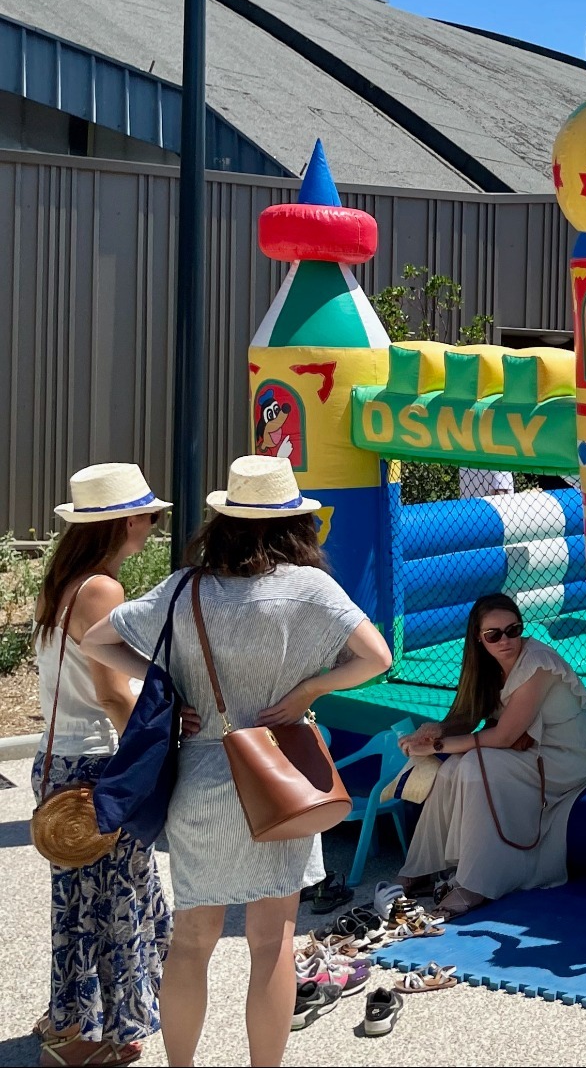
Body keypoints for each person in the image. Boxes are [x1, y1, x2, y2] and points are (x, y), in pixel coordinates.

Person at [83, 455, 392, 1068]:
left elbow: (97, 640)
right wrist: (307, 691)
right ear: (294, 523)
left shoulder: (184, 588)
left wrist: (168, 686)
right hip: (280, 780)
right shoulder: (310, 588)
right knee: (272, 942)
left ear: (223, 521)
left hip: (200, 780)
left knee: (191, 943)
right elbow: (376, 658)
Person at [31, 464, 171, 1068]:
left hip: (61, 759)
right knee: (111, 905)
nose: (153, 525)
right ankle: (85, 1037)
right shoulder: (101, 590)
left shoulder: (62, 582)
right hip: (98, 762)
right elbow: (113, 693)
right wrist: (156, 745)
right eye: (149, 516)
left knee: (84, 901)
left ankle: (72, 1020)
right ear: (126, 521)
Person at [396, 594, 586, 917]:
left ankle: (475, 884)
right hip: (531, 749)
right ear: (479, 638)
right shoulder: (487, 667)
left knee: (476, 766)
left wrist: (436, 747)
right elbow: (468, 717)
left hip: (569, 754)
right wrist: (436, 731)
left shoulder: (537, 663)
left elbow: (504, 736)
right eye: (493, 635)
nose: (505, 640)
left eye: (513, 630)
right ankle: (422, 867)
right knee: (451, 768)